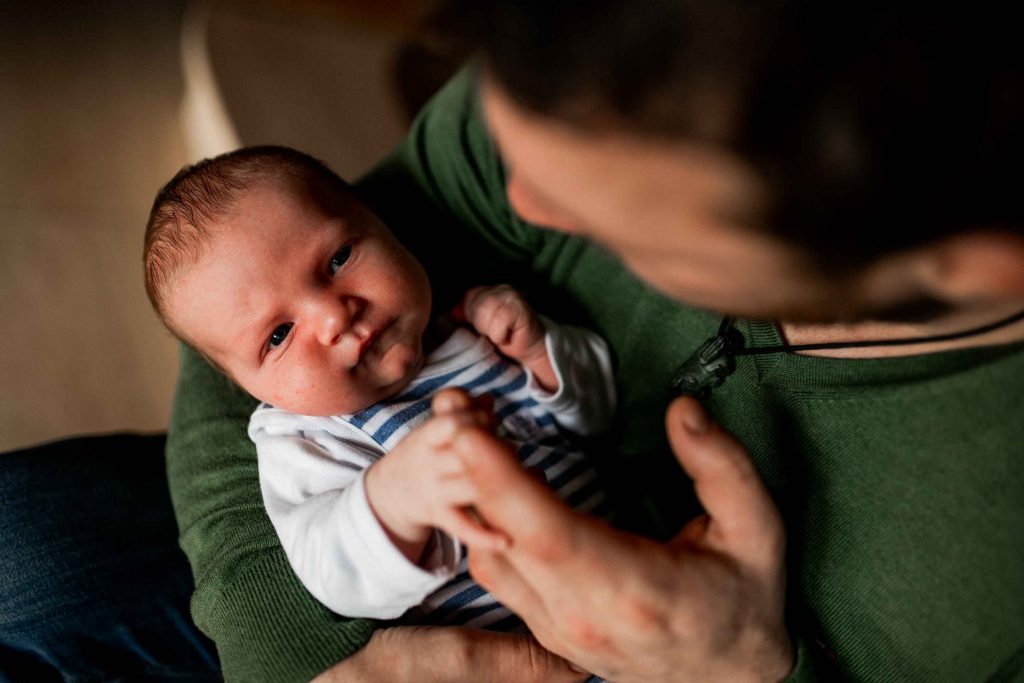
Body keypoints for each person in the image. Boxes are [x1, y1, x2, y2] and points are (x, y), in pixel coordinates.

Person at [159, 1, 1024, 682]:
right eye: (281, 333)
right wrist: (316, 654)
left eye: (623, 221)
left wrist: (742, 667)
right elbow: (230, 308)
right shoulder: (592, 52)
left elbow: (577, 404)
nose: (521, 202)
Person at [143, 147, 615, 642]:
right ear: (247, 388)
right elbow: (332, 574)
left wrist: (541, 352)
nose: (334, 316)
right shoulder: (305, 441)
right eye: (279, 335)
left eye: (338, 259)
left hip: (626, 576)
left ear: (384, 225)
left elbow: (596, 419)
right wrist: (397, 499)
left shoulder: (471, 335)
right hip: (520, 643)